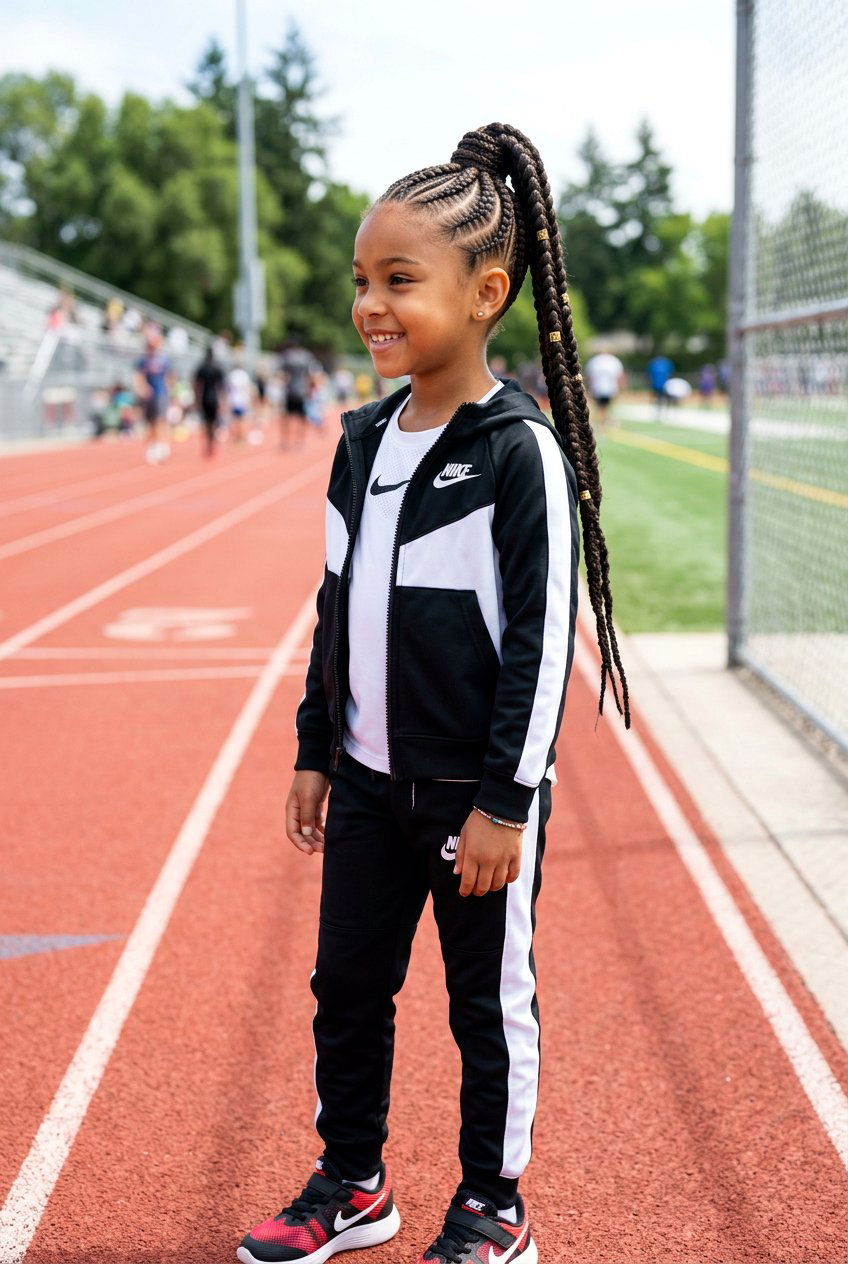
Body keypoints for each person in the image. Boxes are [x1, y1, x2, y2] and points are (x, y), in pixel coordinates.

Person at [237, 123, 630, 1264]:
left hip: (473, 798)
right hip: (364, 782)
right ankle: (353, 1182)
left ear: (485, 291)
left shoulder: (519, 453)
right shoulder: (360, 440)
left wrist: (506, 804)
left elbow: (539, 639)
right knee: (345, 987)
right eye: (361, 280)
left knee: (482, 1010)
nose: (369, 304)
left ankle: (493, 1201)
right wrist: (315, 746)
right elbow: (333, 603)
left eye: (399, 281)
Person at [133, 326, 172, 463]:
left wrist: (170, 392)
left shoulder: (163, 359)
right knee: (151, 422)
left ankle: (160, 445)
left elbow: (169, 377)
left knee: (160, 420)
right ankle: (155, 444)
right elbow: (139, 376)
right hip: (149, 396)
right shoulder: (143, 360)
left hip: (161, 393)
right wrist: (142, 388)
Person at [194, 345, 226, 457]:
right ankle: (212, 443)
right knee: (213, 422)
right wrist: (222, 402)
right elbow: (221, 387)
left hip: (204, 397)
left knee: (206, 423)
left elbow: (197, 385)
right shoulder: (217, 367)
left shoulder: (202, 367)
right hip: (214, 398)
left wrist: (197, 400)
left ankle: (209, 443)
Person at [583, 347, 625, 426]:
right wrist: (620, 387)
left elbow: (589, 376)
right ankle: (603, 421)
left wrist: (589, 387)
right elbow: (619, 376)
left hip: (598, 387)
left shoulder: (594, 361)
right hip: (609, 388)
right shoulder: (613, 360)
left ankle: (602, 420)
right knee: (604, 406)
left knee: (600, 406)